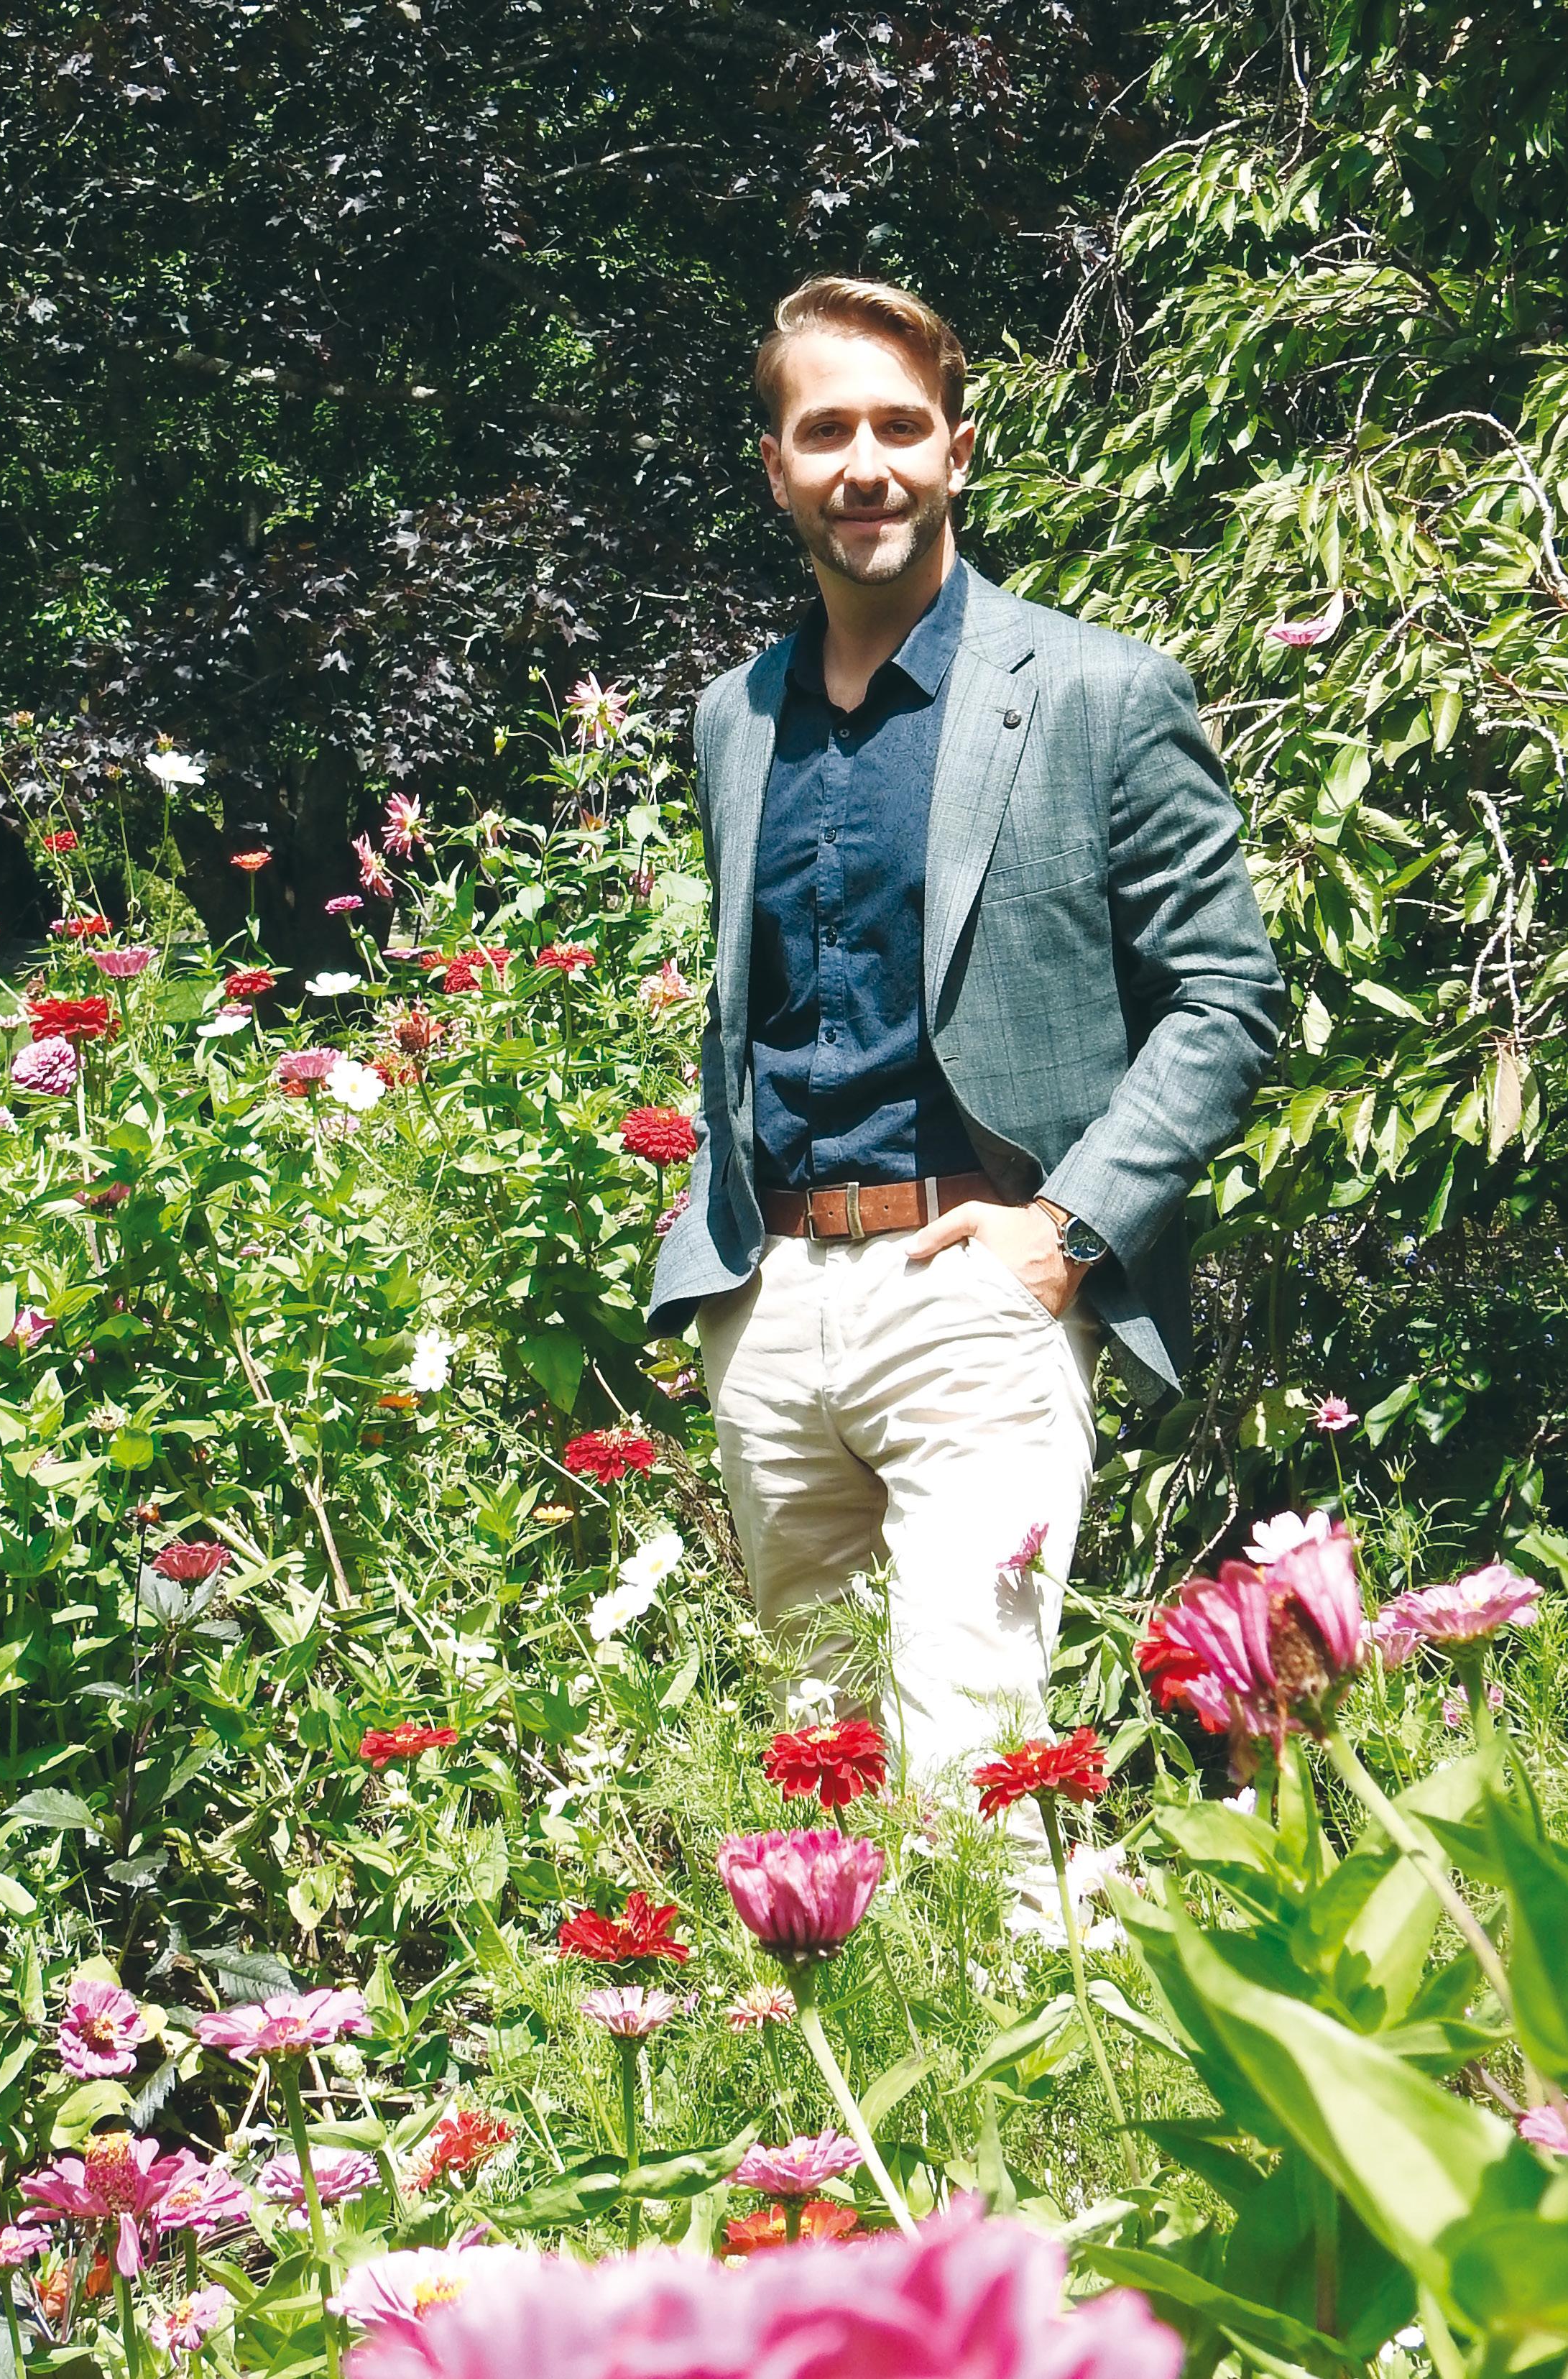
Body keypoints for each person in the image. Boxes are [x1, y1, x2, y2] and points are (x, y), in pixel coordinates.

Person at [648, 275, 1284, 1789]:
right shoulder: (734, 718)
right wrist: (733, 1279)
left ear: (957, 450)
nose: (864, 464)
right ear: (776, 468)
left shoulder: (1098, 693)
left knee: (970, 1775)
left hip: (978, 1293)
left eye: (899, 426)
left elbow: (1225, 995)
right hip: (771, 1301)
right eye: (826, 432)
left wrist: (1066, 1233)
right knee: (817, 1778)